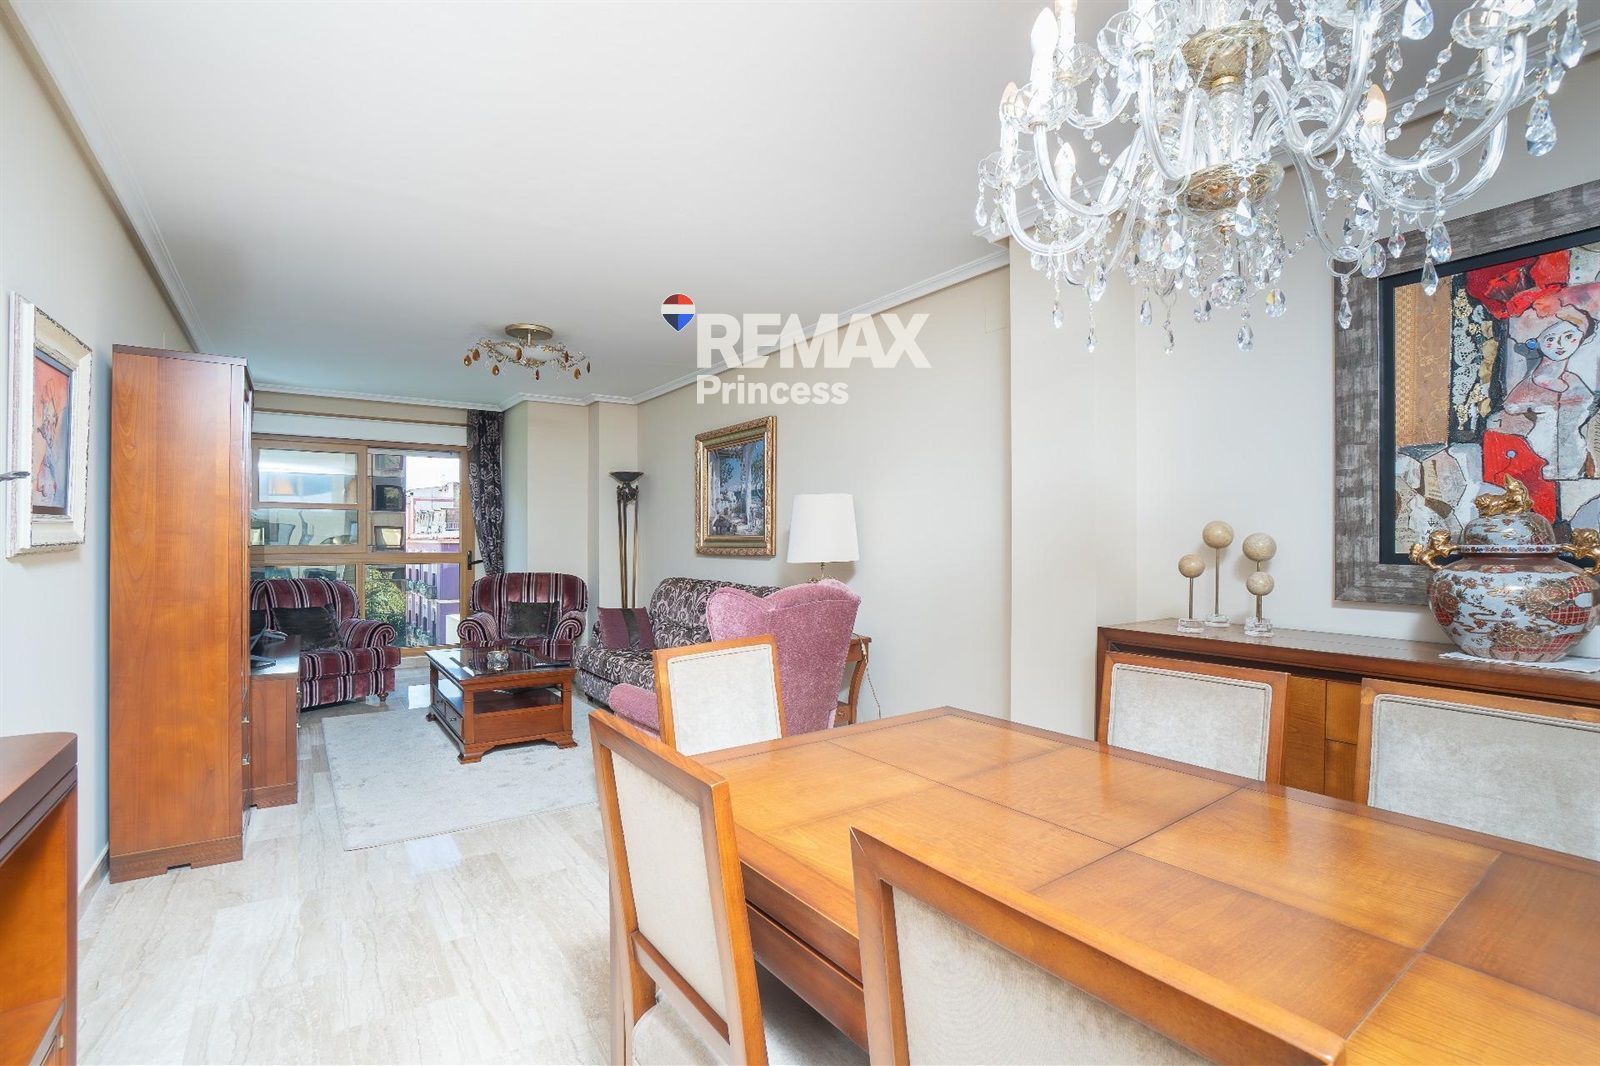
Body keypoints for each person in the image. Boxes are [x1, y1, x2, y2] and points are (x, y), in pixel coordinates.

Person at [1498, 304, 1598, 480]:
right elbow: (1513, 406)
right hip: (1539, 451)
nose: (1560, 344)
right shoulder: (1537, 379)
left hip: (1572, 452)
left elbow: (1586, 404)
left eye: (1569, 336)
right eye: (1550, 338)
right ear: (1537, 342)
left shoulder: (1572, 379)